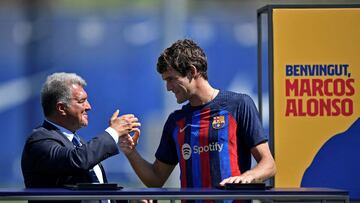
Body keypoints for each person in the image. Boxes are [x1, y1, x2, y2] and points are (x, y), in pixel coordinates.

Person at [118, 39, 276, 197]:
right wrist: (131, 152)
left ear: (192, 71)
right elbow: (156, 179)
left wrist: (246, 178)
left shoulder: (239, 105)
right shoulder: (175, 121)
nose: (168, 87)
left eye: (171, 79)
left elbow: (269, 164)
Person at [21, 72, 140, 203]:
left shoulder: (78, 143)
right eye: (81, 101)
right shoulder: (39, 140)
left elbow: (96, 194)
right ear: (61, 108)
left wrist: (130, 200)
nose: (89, 107)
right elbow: (77, 160)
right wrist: (113, 132)